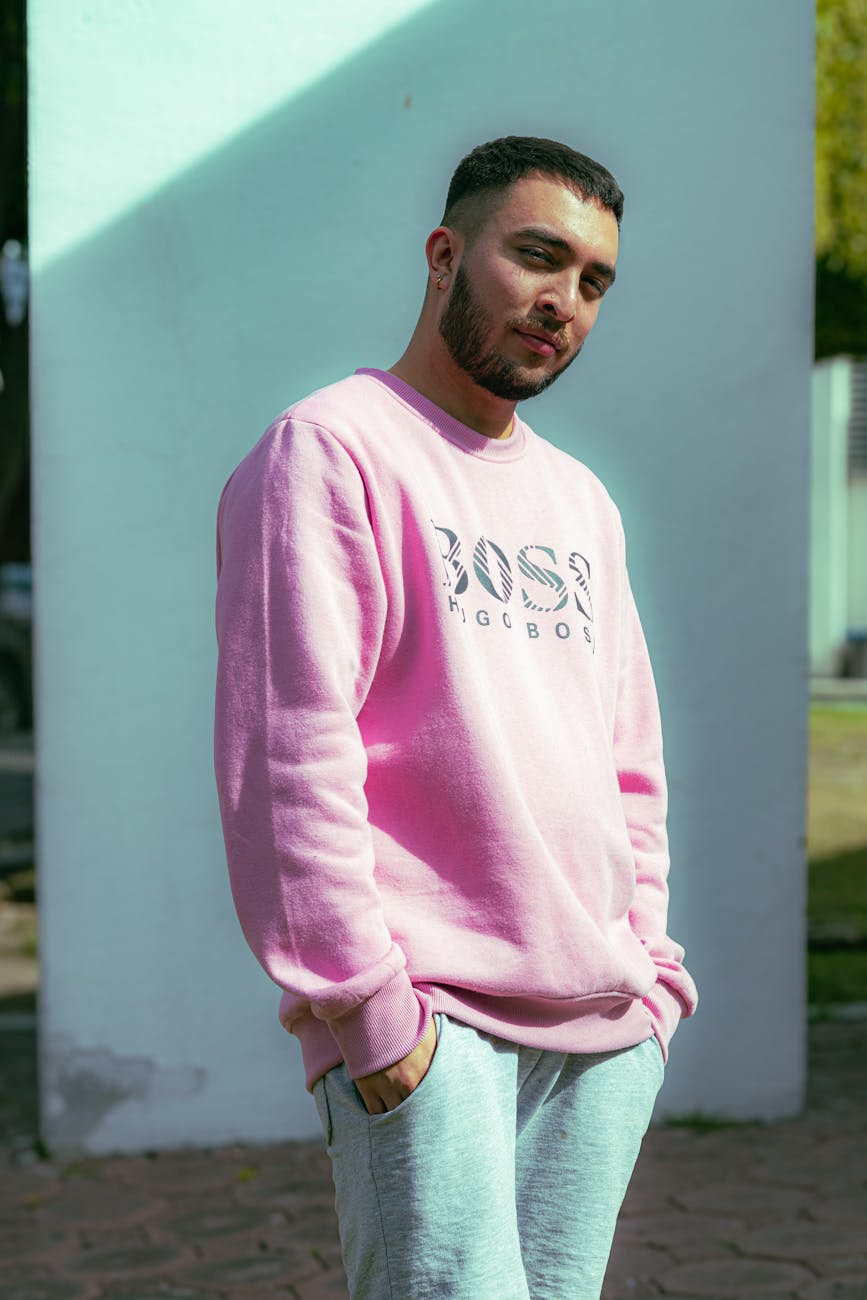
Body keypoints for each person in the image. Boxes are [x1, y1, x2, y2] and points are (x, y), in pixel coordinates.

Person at [214, 135, 698, 1300]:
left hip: (602, 1025)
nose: (563, 303)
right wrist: (375, 1019)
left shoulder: (581, 501)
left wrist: (654, 984)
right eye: (537, 256)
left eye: (593, 280)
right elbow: (289, 758)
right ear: (445, 254)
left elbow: (628, 762)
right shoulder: (330, 452)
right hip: (434, 1027)